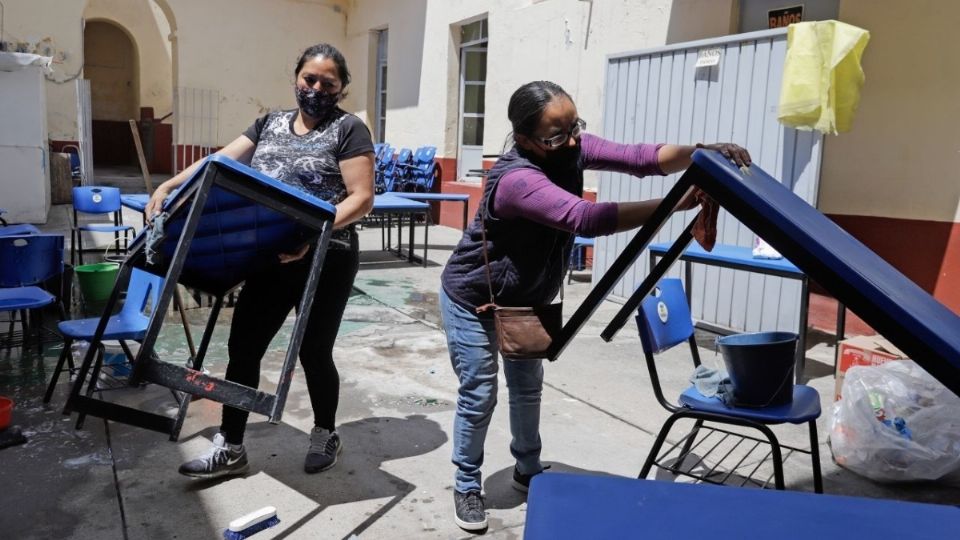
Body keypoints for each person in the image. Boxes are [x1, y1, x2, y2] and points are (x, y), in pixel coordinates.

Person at [439, 80, 751, 531]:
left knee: (527, 388)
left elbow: (641, 159)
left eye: (574, 126)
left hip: (526, 300)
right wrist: (674, 204)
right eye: (555, 135)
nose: (571, 140)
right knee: (480, 393)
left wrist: (700, 153)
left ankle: (528, 469)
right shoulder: (515, 180)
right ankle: (467, 483)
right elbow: (585, 218)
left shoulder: (573, 148)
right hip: (474, 301)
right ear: (525, 139)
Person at [145, 43, 375, 479]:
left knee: (313, 350)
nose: (316, 89)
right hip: (271, 254)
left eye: (328, 83)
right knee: (244, 347)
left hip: (327, 257)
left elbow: (361, 198)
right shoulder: (269, 123)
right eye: (310, 79)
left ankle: (325, 432)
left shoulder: (349, 129)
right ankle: (231, 446)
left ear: (342, 88)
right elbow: (219, 161)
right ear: (296, 78)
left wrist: (313, 234)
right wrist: (170, 184)